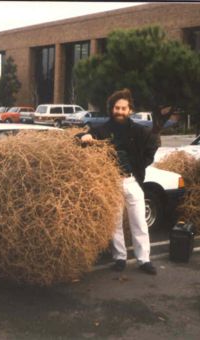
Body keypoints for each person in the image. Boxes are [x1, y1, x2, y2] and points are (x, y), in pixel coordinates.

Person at [78, 88, 158, 275]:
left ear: (130, 110)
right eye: (117, 108)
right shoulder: (102, 129)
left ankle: (144, 259)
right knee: (114, 223)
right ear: (111, 109)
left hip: (132, 181)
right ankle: (120, 258)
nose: (120, 112)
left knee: (139, 221)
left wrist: (139, 166)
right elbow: (78, 139)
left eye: (124, 108)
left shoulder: (140, 131)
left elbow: (152, 147)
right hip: (111, 183)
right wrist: (84, 136)